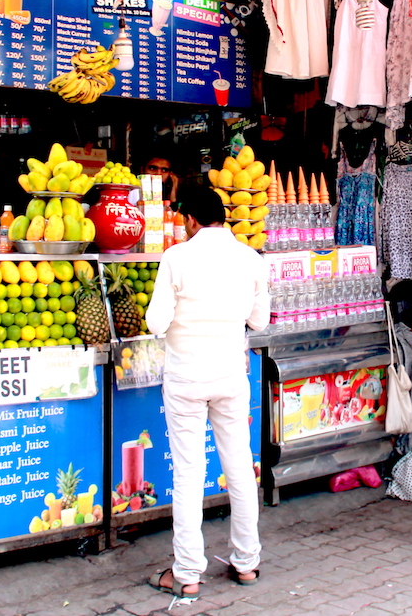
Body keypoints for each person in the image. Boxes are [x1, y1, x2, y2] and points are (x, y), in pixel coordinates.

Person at [144, 183, 269, 599]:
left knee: (189, 473)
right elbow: (261, 321)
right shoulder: (250, 259)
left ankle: (187, 573)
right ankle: (247, 563)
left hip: (187, 379)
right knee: (239, 468)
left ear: (191, 220)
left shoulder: (176, 257)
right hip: (231, 375)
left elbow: (156, 323)